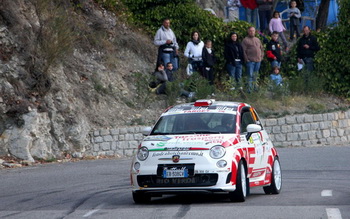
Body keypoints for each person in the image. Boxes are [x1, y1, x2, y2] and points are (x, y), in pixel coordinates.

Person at [242, 26, 264, 92]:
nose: (252, 32)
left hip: (258, 61)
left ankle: (255, 89)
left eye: (253, 31)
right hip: (250, 61)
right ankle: (249, 90)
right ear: (248, 32)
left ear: (255, 31)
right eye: (250, 31)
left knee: (255, 75)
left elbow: (261, 49)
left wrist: (261, 57)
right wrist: (246, 59)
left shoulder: (257, 39)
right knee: (250, 76)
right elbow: (243, 51)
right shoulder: (245, 40)